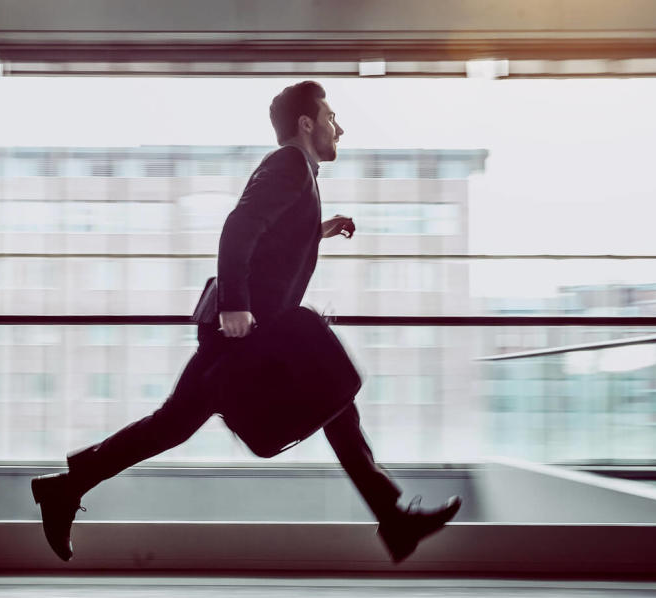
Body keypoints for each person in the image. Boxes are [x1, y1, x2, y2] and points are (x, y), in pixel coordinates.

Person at [31, 80, 462, 564]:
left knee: (197, 420)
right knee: (190, 420)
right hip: (242, 334)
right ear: (306, 123)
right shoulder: (290, 164)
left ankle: (65, 488)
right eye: (330, 118)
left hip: (251, 334)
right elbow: (239, 227)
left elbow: (270, 238)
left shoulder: (299, 172)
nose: (339, 127)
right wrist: (237, 304)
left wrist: (316, 230)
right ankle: (65, 488)